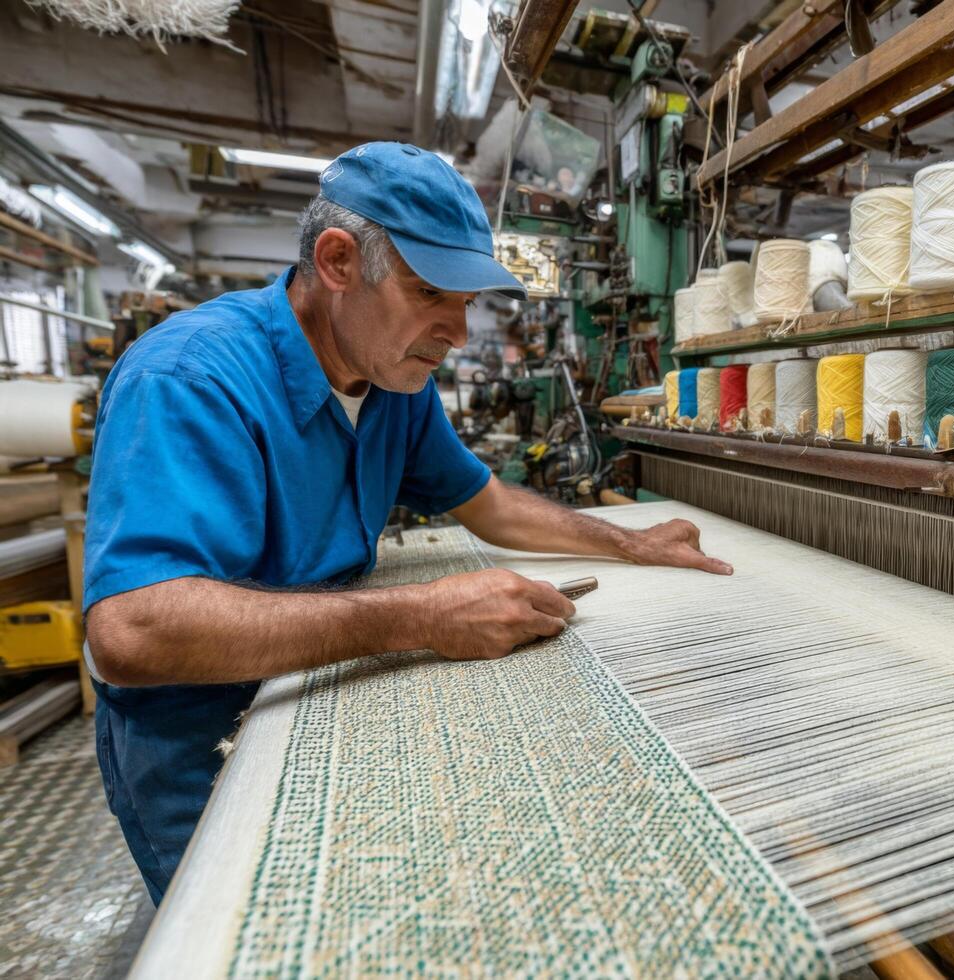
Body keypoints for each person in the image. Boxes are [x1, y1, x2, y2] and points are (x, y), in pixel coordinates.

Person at [82, 141, 732, 904]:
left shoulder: (395, 385)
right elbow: (134, 631)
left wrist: (630, 542)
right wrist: (420, 615)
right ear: (336, 262)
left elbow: (486, 501)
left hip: (316, 695)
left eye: (466, 303)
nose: (457, 334)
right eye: (430, 293)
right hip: (200, 742)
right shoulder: (191, 377)